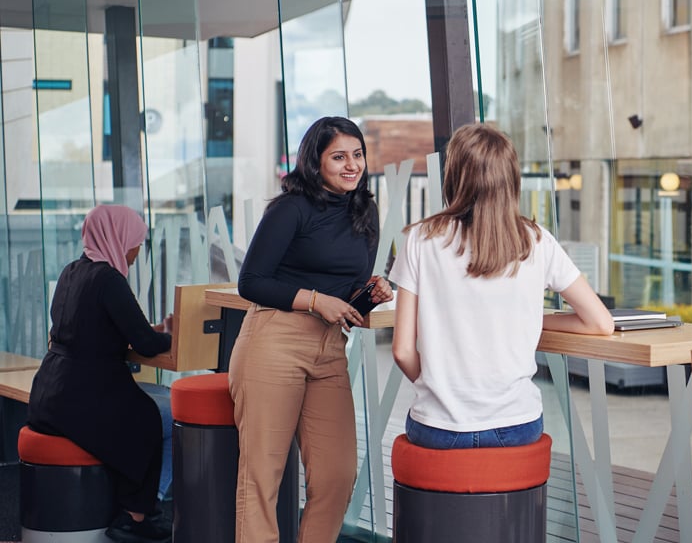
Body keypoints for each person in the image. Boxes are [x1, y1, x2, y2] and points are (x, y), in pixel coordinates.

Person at [390, 123, 614, 449]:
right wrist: (535, 320)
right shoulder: (537, 240)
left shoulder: (421, 239)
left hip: (439, 427)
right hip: (516, 425)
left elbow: (402, 350)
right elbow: (600, 322)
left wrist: (437, 390)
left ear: (454, 175)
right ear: (511, 179)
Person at [230, 116, 393, 543]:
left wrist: (369, 293)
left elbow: (346, 289)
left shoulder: (365, 211)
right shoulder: (291, 208)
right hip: (274, 339)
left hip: (329, 347)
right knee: (262, 475)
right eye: (338, 156)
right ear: (314, 161)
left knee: (338, 473)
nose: (351, 165)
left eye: (357, 155)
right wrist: (317, 300)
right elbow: (252, 282)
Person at [28, 204, 174, 543]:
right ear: (119, 239)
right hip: (79, 400)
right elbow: (145, 343)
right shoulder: (109, 278)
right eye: (137, 242)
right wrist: (171, 335)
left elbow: (94, 327)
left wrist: (150, 332)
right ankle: (136, 515)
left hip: (48, 394)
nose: (138, 251)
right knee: (158, 419)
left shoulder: (72, 272)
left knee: (145, 409)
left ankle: (133, 505)